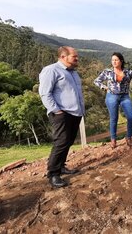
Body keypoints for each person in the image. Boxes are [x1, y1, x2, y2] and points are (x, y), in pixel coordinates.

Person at [39, 46, 85, 188]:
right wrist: (56, 110)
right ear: (63, 57)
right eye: (74, 56)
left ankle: (61, 166)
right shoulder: (51, 70)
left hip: (75, 113)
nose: (77, 59)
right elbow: (45, 93)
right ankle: (53, 174)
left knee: (68, 141)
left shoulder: (73, 73)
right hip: (62, 113)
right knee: (61, 142)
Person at [94, 52, 132, 148]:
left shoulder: (128, 72)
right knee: (114, 118)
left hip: (124, 97)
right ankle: (113, 140)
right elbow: (96, 81)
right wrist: (104, 88)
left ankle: (129, 137)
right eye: (112, 60)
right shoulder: (107, 72)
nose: (114, 62)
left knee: (131, 117)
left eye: (116, 60)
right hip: (112, 96)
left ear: (121, 61)